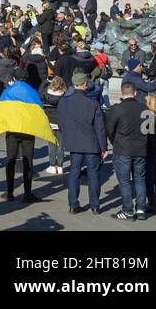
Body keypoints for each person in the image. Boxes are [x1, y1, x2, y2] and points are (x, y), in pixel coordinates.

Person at [57, 71, 107, 215]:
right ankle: (95, 205)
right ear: (85, 84)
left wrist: (67, 134)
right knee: (93, 174)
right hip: (91, 143)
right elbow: (100, 127)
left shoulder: (64, 101)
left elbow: (60, 122)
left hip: (74, 142)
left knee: (74, 172)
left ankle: (73, 204)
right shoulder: (92, 103)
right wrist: (103, 147)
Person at [106, 80, 148, 220]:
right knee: (140, 179)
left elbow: (110, 130)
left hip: (122, 148)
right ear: (135, 93)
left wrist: (114, 142)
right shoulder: (145, 108)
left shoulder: (117, 109)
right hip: (141, 149)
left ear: (122, 93)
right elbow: (149, 131)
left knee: (124, 180)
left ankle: (128, 210)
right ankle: (141, 209)